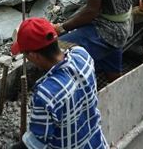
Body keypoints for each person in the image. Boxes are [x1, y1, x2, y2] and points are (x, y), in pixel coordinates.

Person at [10, 17, 108, 149]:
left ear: (34, 56)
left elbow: (36, 144)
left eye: (25, 55)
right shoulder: (82, 55)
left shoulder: (45, 94)